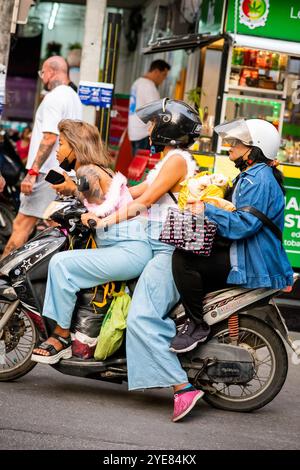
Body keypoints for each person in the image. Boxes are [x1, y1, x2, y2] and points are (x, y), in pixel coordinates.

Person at [32, 98, 203, 422]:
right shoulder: (169, 160)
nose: (150, 128)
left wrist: (105, 221)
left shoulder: (178, 160)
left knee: (141, 317)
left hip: (164, 250)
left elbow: (148, 200)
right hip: (151, 245)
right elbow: (137, 192)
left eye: (154, 123)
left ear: (169, 127)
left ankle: (183, 387)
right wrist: (108, 195)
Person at [31, 119, 152, 364]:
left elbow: (87, 189)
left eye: (62, 143)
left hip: (128, 251)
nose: (57, 149)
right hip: (127, 249)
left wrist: (71, 187)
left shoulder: (88, 171)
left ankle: (61, 336)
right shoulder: (98, 169)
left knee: (61, 265)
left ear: (75, 146)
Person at [171, 118, 294, 354]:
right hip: (247, 251)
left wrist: (206, 209)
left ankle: (197, 325)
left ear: (255, 149)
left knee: (183, 259)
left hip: (251, 259)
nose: (231, 147)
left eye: (237, 143)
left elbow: (243, 226)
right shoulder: (255, 175)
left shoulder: (257, 179)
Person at [1, 56, 82, 259]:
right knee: (57, 226)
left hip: (47, 173)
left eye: (43, 73)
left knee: (22, 225)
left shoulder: (54, 98)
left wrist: (32, 172)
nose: (43, 78)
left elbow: (49, 137)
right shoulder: (74, 97)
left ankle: (3, 275)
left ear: (51, 71)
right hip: (66, 173)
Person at [128, 60, 170, 156]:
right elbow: (158, 112)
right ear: (156, 71)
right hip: (144, 134)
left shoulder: (137, 82)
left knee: (137, 164)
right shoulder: (149, 86)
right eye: (163, 75)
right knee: (145, 167)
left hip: (134, 132)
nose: (163, 79)